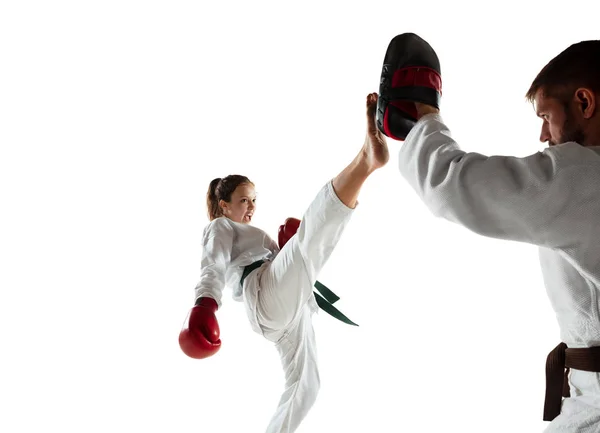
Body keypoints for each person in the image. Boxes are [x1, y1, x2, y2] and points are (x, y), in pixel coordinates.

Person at [394, 40, 600, 432]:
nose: (543, 134)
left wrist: (424, 120)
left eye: (547, 115)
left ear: (585, 103)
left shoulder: (585, 176)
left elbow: (451, 185)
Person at [179, 93, 389, 433]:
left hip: (287, 311)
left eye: (253, 200)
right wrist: (205, 304)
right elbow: (212, 265)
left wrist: (282, 249)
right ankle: (366, 160)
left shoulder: (252, 233)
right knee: (309, 242)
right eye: (243, 200)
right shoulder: (220, 226)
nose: (250, 207)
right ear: (223, 205)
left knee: (307, 387)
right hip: (264, 294)